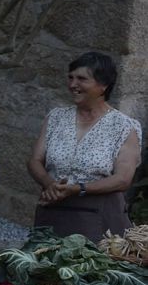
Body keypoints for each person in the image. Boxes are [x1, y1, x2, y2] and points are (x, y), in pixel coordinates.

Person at [29, 52, 142, 242]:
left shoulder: (123, 126)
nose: (73, 85)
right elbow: (35, 160)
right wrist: (50, 184)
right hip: (53, 210)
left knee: (89, 268)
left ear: (103, 86)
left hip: (98, 218)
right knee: (45, 265)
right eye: (71, 77)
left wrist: (77, 189)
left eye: (82, 79)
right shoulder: (56, 117)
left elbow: (123, 179)